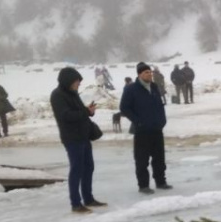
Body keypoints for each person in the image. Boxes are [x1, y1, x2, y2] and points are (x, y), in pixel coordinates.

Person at [50, 67, 106, 213]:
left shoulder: (73, 93)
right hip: (72, 139)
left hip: (83, 136)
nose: (78, 84)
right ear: (67, 81)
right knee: (77, 170)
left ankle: (88, 198)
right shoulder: (57, 95)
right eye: (76, 82)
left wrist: (89, 111)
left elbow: (80, 112)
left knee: (88, 167)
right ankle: (76, 203)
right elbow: (66, 116)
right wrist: (86, 111)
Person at [119, 62, 171, 194]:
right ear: (139, 74)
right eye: (146, 72)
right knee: (142, 159)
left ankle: (161, 181)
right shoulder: (131, 89)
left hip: (156, 128)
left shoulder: (154, 87)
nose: (149, 74)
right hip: (142, 130)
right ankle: (143, 185)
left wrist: (162, 120)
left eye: (150, 72)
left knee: (159, 157)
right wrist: (138, 121)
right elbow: (124, 108)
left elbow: (159, 105)